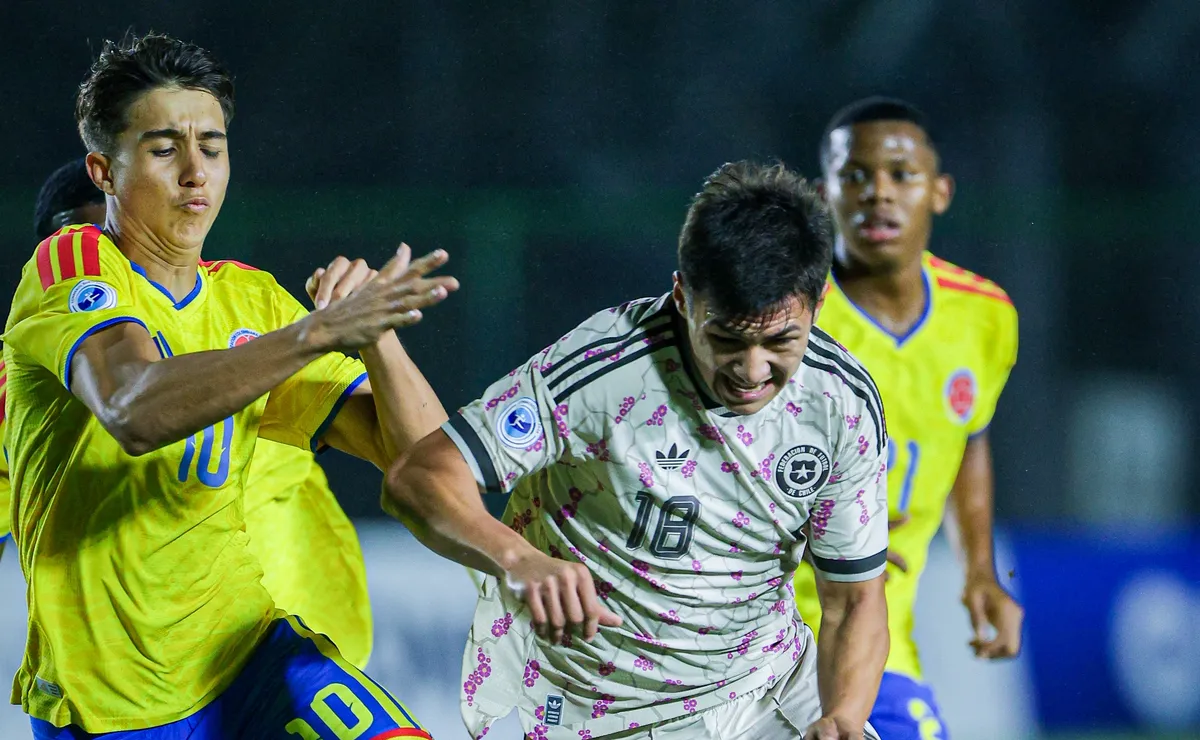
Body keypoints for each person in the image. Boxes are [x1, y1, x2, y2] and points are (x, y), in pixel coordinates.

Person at [4, 33, 458, 739]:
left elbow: (424, 457)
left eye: (212, 147)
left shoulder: (253, 302)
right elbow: (133, 407)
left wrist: (378, 339)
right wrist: (315, 334)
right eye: (163, 149)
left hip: (248, 655)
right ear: (103, 171)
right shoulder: (70, 260)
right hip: (112, 703)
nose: (195, 173)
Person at [385, 161, 889, 740]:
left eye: (781, 341)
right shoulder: (604, 372)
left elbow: (853, 601)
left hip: (772, 685)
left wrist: (845, 715)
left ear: (817, 303)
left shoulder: (839, 402)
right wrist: (518, 560)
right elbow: (419, 476)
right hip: (606, 715)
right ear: (682, 295)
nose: (753, 371)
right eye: (726, 338)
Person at [20, 158, 375, 669]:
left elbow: (410, 451)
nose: (105, 254)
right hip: (146, 674)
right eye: (87, 240)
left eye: (114, 234)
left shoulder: (248, 314)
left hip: (299, 632)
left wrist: (374, 335)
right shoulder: (39, 390)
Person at [792, 97, 1024, 739]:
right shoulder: (785, 320)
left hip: (877, 642)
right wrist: (822, 522)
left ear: (940, 191)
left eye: (901, 174)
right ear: (823, 193)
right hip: (760, 640)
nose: (878, 194)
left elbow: (967, 438)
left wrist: (979, 569)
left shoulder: (986, 316)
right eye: (856, 176)